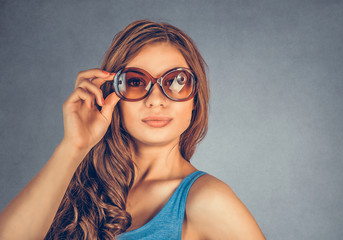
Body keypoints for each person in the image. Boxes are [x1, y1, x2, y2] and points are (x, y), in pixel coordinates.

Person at [0, 20, 266, 240]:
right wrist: (73, 147)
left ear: (195, 102)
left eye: (176, 81)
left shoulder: (208, 199)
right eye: (136, 81)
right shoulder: (78, 183)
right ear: (112, 93)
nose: (156, 99)